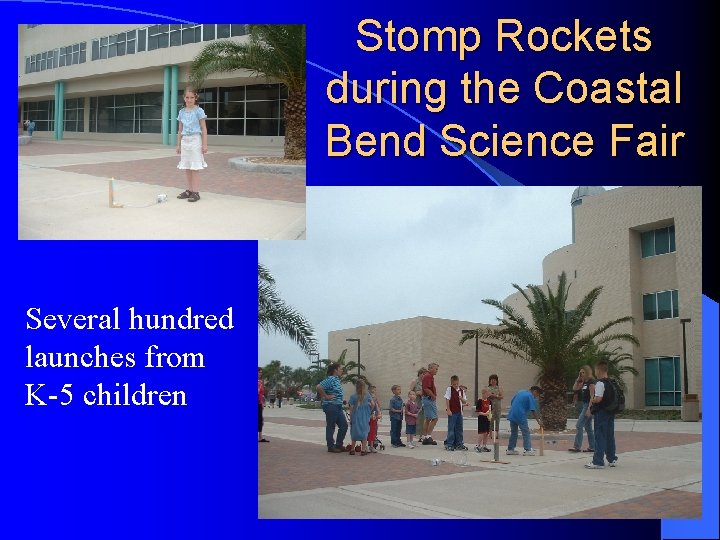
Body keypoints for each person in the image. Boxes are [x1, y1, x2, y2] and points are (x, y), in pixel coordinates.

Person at [175, 87, 208, 203]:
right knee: (187, 167)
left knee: (195, 167)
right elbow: (180, 130)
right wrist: (178, 145)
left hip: (195, 140)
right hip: (185, 141)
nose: (189, 100)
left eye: (192, 97)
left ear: (195, 98)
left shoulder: (199, 111)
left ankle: (196, 192)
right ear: (184, 98)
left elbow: (204, 128)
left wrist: (204, 144)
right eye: (187, 97)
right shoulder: (181, 112)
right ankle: (189, 190)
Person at [586, 360, 618, 469]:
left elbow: (598, 399)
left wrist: (592, 397)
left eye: (595, 370)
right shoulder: (612, 382)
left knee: (600, 435)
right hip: (611, 411)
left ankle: (598, 461)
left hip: (601, 412)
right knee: (609, 435)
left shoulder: (600, 383)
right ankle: (612, 458)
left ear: (599, 370)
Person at [316, 362, 348, 453]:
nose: (342, 370)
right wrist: (326, 396)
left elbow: (336, 393)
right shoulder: (330, 379)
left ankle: (339, 445)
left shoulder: (336, 379)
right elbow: (319, 387)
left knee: (344, 425)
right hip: (331, 406)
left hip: (338, 406)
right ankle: (331, 446)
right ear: (335, 370)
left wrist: (342, 401)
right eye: (340, 368)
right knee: (331, 426)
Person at [506, 386, 543, 456]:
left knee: (514, 432)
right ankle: (528, 449)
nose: (536, 397)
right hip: (520, 414)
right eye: (537, 395)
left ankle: (510, 449)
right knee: (526, 432)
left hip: (512, 413)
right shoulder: (530, 396)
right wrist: (538, 421)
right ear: (535, 391)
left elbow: (512, 401)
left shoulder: (521, 391)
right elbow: (533, 410)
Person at [569, 365, 596, 453]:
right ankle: (593, 447)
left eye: (583, 372)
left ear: (588, 372)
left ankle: (577, 446)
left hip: (588, 405)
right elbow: (574, 388)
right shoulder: (584, 382)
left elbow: (592, 396)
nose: (582, 374)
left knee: (579, 425)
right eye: (580, 373)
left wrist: (589, 409)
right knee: (588, 427)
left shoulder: (591, 382)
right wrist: (578, 379)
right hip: (584, 405)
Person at [443, 375, 469, 451]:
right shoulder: (449, 389)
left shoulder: (461, 391)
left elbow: (465, 401)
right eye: (454, 384)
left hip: (459, 412)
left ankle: (459, 443)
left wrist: (461, 399)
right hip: (452, 412)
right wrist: (448, 410)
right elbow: (447, 399)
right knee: (451, 428)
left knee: (459, 428)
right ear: (451, 383)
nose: (455, 386)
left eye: (457, 384)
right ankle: (449, 444)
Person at [348, 380, 373, 456]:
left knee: (354, 431)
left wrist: (351, 418)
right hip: (365, 416)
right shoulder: (367, 395)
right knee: (364, 431)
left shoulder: (353, 396)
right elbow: (373, 404)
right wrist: (369, 410)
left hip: (356, 415)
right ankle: (363, 450)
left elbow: (351, 408)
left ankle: (352, 449)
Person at [420, 363, 440, 445]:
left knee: (428, 418)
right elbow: (426, 388)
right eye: (436, 369)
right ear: (431, 368)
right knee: (435, 418)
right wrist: (433, 396)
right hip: (429, 399)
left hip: (426, 399)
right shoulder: (428, 376)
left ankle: (425, 437)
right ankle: (428, 436)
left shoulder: (429, 376)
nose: (437, 371)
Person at [409, 368, 427, 441]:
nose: (424, 375)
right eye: (423, 374)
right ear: (420, 374)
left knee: (424, 419)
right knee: (416, 420)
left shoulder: (425, 382)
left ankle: (421, 436)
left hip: (424, 403)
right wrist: (417, 393)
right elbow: (410, 391)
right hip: (417, 402)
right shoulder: (415, 381)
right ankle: (412, 436)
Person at [475, 387, 492, 452]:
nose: (488, 395)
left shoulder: (489, 401)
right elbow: (478, 412)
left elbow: (491, 410)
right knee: (482, 432)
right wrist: (484, 414)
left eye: (488, 394)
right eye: (487, 393)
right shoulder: (479, 401)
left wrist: (490, 416)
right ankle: (478, 445)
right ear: (483, 393)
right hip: (481, 419)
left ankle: (484, 445)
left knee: (486, 433)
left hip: (487, 419)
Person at [368, 385, 382, 452]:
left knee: (373, 432)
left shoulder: (375, 401)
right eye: (372, 396)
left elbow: (377, 408)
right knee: (366, 432)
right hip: (367, 419)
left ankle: (371, 446)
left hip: (374, 419)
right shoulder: (367, 402)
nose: (374, 397)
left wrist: (379, 414)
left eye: (374, 391)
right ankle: (365, 446)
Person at [258, 368, 269, 443]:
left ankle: (260, 437)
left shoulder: (260, 382)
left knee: (260, 420)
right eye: (259, 372)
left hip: (259, 403)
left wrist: (262, 402)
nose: (260, 374)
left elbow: (261, 394)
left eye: (261, 372)